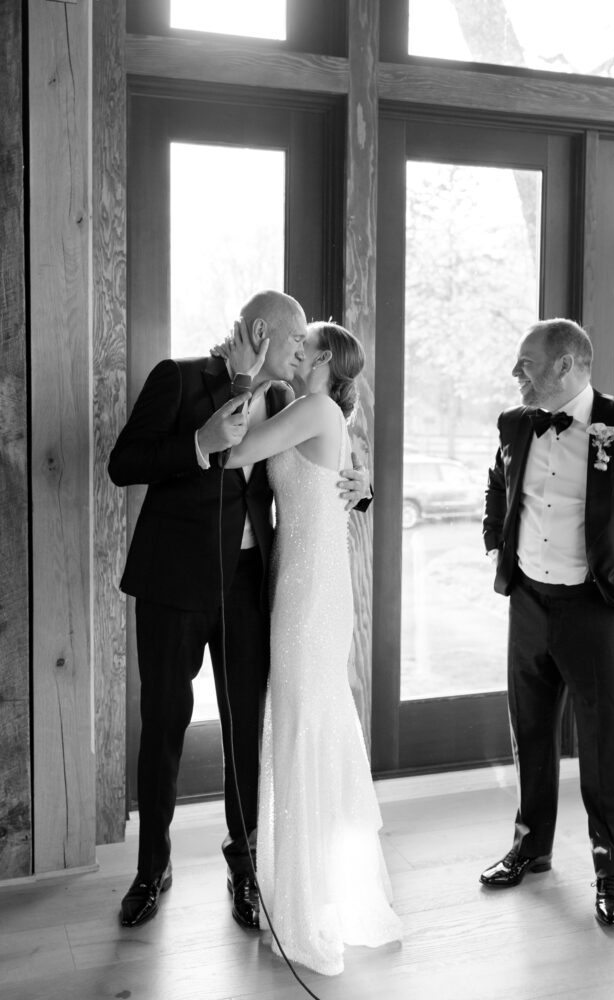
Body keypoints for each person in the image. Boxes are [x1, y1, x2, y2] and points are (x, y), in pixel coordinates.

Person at [108, 290, 371, 931]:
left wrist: (362, 489)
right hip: (171, 587)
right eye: (295, 339)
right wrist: (197, 442)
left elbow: (326, 460)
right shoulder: (176, 378)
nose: (302, 349)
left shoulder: (287, 399)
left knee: (244, 733)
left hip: (253, 587)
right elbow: (124, 464)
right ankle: (152, 869)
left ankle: (245, 868)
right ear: (261, 330)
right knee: (164, 726)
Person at [222, 320, 402, 976]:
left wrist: (252, 372)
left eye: (303, 344)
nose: (293, 349)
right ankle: (299, 882)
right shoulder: (305, 407)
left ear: (323, 357)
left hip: (312, 586)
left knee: (303, 719)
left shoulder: (316, 407)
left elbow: (235, 453)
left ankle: (309, 898)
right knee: (302, 718)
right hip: (298, 573)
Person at [479, 318, 614, 926]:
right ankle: (530, 846)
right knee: (529, 733)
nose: (516, 376)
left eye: (525, 364)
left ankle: (612, 869)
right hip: (529, 602)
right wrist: (495, 541)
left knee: (602, 742)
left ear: (565, 366)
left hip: (596, 606)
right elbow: (498, 484)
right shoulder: (514, 423)